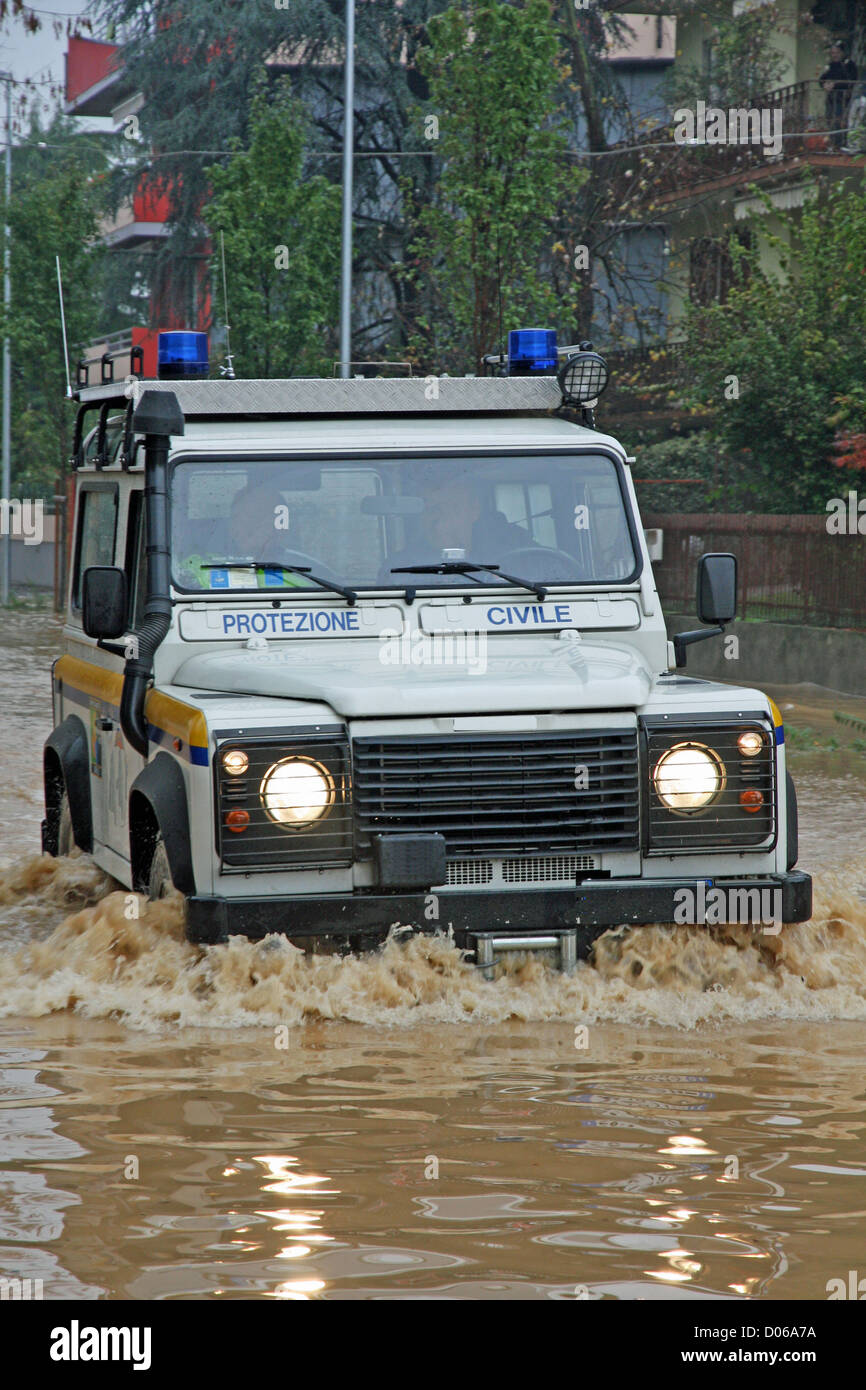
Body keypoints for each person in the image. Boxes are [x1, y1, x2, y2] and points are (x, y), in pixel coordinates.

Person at [383, 471, 532, 583]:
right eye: (433, 510)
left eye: (452, 508)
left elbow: (544, 580)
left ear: (474, 510)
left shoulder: (517, 552)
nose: (441, 522)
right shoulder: (399, 567)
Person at [176, 477, 309, 591]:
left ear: (280, 527)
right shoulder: (196, 566)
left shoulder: (308, 572)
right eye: (236, 518)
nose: (241, 526)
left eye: (253, 518)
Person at [820, 43, 858, 148]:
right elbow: (822, 78)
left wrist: (835, 84)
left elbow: (851, 81)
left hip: (842, 98)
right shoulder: (831, 65)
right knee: (830, 120)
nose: (834, 55)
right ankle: (833, 144)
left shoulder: (849, 64)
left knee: (839, 121)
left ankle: (841, 144)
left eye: (837, 52)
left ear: (842, 53)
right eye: (832, 53)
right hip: (831, 99)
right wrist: (825, 84)